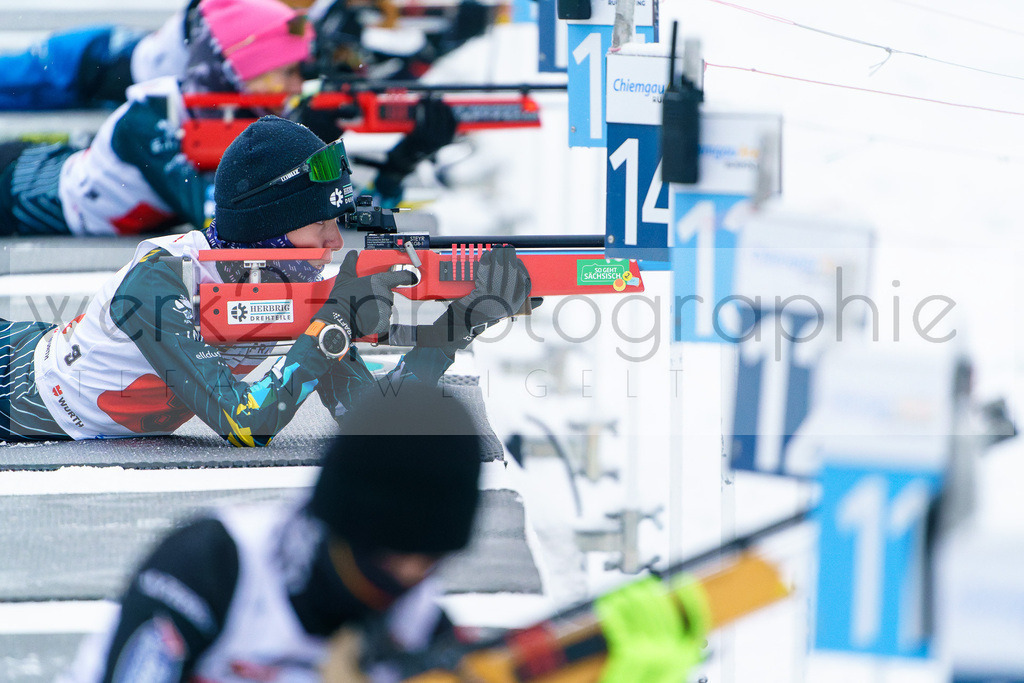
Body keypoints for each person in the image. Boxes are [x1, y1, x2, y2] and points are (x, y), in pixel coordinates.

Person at [0, 115, 531, 445]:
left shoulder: (287, 283)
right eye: (319, 225)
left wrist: (459, 325)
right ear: (270, 229)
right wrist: (336, 321)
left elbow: (373, 419)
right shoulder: (158, 282)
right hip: (13, 383)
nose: (335, 242)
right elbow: (247, 425)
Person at [56, 382, 486, 681]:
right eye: (392, 553)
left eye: (432, 558)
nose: (410, 574)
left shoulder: (423, 630)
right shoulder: (209, 569)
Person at [0, 0, 313, 237]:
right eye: (288, 72)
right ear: (239, 71)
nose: (298, 87)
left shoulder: (228, 116)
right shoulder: (151, 118)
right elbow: (218, 217)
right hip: (21, 190)